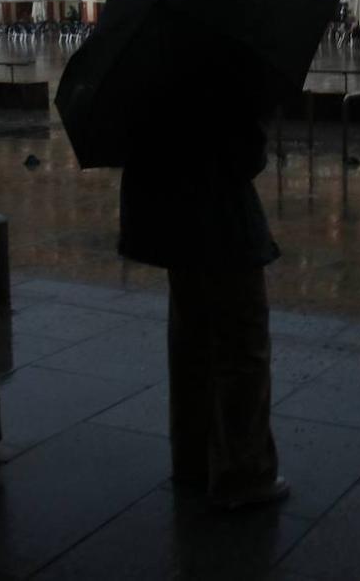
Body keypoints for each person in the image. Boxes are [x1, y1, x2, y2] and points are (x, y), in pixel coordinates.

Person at [117, 29, 287, 510]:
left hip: (176, 228)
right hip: (222, 227)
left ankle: (190, 461)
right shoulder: (222, 69)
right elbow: (245, 157)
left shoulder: (150, 69)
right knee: (242, 346)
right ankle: (243, 472)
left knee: (190, 342)